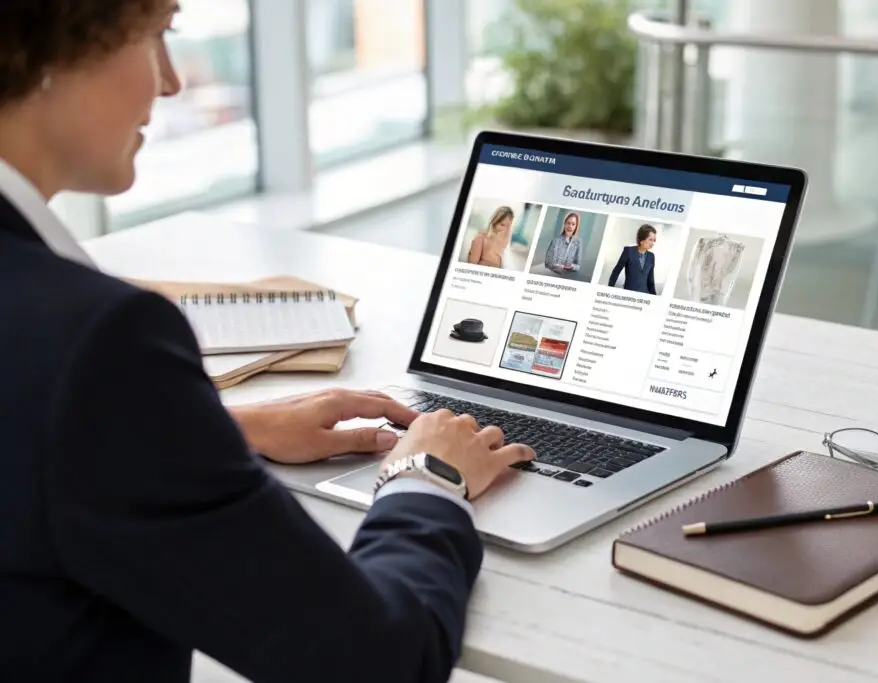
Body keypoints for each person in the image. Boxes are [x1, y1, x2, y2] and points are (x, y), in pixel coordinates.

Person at [0, 2, 535, 682]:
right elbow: (376, 659)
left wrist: (210, 427)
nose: (170, 82)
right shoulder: (99, 345)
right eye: (157, 37)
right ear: (48, 48)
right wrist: (427, 477)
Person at [607, 224, 658, 295]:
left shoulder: (651, 256)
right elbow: (616, 271)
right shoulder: (628, 251)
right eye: (650, 240)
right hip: (628, 294)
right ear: (641, 240)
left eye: (654, 240)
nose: (652, 243)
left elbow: (650, 280)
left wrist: (654, 297)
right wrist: (608, 289)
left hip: (644, 296)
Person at [543, 211, 582, 276]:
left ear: (576, 227)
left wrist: (571, 266)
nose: (570, 226)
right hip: (552, 274)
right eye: (568, 223)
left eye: (573, 224)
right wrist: (558, 266)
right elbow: (547, 263)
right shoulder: (555, 241)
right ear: (564, 224)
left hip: (568, 277)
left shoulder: (578, 243)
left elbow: (578, 266)